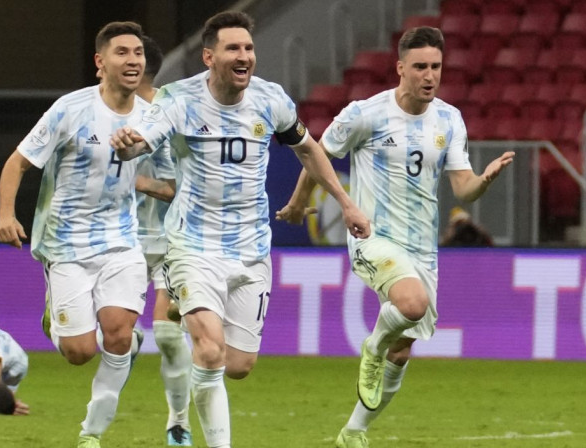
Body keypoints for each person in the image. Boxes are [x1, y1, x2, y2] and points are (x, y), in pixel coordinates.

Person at [109, 11, 370, 448]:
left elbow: (309, 149)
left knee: (238, 364)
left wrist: (345, 202)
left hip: (251, 250)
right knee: (209, 351)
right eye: (234, 48)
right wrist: (128, 142)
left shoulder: (271, 100)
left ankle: (185, 312)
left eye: (248, 48)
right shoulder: (178, 99)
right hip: (193, 245)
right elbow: (144, 138)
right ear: (209, 57)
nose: (244, 55)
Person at [277, 27, 514, 448]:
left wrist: (483, 182)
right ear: (400, 68)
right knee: (411, 304)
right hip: (372, 235)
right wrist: (298, 203)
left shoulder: (449, 119)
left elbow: (462, 188)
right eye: (420, 66)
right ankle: (372, 346)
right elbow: (316, 153)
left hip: (422, 247)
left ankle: (354, 432)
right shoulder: (365, 113)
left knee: (402, 352)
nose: (429, 75)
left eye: (436, 67)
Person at [0, 21, 163, 448]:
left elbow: (171, 178)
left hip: (122, 239)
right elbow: (18, 162)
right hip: (65, 244)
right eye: (122, 52)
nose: (133, 61)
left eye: (138, 53)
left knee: (120, 333)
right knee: (79, 352)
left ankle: (92, 432)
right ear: (99, 63)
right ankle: (56, 312)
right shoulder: (70, 109)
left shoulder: (153, 117)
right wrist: (6, 215)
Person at [135, 35, 193, 447]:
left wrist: (137, 182)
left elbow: (181, 187)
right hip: (115, 236)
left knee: (170, 334)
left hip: (171, 236)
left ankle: (178, 423)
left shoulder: (173, 112)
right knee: (105, 332)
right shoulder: (95, 109)